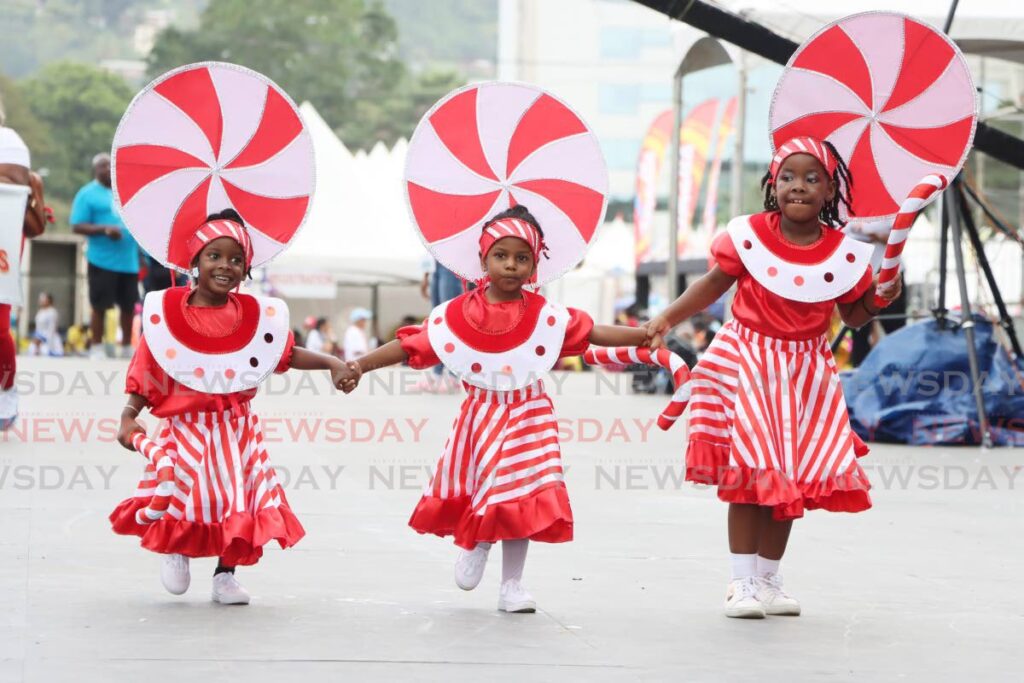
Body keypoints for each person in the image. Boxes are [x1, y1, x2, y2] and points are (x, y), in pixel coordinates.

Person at [643, 137, 902, 619]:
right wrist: (666, 318)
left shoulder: (844, 254)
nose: (797, 186)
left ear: (830, 191)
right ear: (771, 185)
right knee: (752, 472)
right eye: (787, 177)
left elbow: (855, 315)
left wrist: (882, 296)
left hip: (805, 373)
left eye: (811, 178)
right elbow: (710, 286)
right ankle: (739, 582)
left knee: (788, 478)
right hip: (748, 365)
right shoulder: (748, 237)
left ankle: (767, 578)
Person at [342, 205, 646, 613]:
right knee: (490, 488)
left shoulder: (545, 316)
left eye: (522, 258)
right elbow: (413, 343)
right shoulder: (457, 313)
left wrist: (644, 334)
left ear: (535, 266)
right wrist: (361, 364)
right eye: (501, 255)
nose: (511, 265)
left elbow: (592, 331)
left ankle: (513, 585)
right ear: (483, 258)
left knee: (522, 495)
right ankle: (478, 540)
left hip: (529, 414)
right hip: (482, 414)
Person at [111, 210, 358, 605]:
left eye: (236, 259)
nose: (226, 265)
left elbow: (285, 354)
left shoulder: (254, 317)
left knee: (237, 499)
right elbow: (148, 366)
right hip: (184, 426)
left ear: (246, 269)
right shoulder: (168, 312)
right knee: (184, 494)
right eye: (214, 256)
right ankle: (178, 547)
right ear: (194, 261)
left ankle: (226, 573)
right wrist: (129, 413)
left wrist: (330, 362)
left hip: (235, 428)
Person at [0, 111, 48, 429]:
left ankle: (6, 387)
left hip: (4, 236)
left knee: (0, 325)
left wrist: (31, 192)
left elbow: (36, 227)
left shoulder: (12, 145)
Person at [71, 152, 141, 360]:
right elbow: (77, 225)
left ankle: (128, 346)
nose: (106, 169)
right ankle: (97, 346)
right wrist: (104, 230)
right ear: (95, 170)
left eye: (109, 165)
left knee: (129, 306)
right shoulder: (87, 194)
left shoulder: (126, 191)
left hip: (129, 261)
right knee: (100, 305)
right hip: (101, 260)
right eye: (102, 166)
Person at [845, 219, 908, 366]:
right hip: (858, 272)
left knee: (895, 329)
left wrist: (871, 233)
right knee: (860, 334)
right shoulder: (847, 206)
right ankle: (860, 374)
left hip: (889, 272)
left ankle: (900, 370)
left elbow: (900, 236)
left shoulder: (893, 207)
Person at [33, 291, 62, 356]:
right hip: (38, 340)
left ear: (48, 300)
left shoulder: (52, 312)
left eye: (43, 299)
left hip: (50, 341)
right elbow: (38, 327)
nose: (41, 301)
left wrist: (43, 339)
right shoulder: (40, 312)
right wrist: (37, 338)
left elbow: (52, 329)